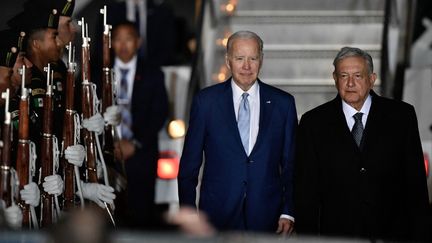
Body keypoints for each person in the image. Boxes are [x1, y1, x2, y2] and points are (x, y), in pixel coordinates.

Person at [294, 46, 431, 241]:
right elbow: (305, 193)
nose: (350, 83)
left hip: (392, 234)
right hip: (336, 237)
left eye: (358, 76)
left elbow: (415, 186)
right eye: (343, 76)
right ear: (335, 79)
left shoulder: (401, 117)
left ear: (372, 79)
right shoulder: (313, 123)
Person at [178, 30, 297, 234]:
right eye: (239, 58)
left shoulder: (283, 104)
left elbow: (291, 165)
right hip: (216, 215)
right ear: (228, 60)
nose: (247, 66)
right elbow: (189, 165)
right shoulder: (206, 102)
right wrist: (189, 214)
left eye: (253, 58)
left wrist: (288, 211)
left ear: (261, 60)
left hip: (267, 216)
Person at [110, 21, 168, 228]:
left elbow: (159, 113)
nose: (123, 45)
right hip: (107, 154)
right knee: (109, 215)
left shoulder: (153, 73)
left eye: (128, 39)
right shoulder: (100, 72)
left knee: (141, 215)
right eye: (117, 39)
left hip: (141, 153)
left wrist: (134, 143)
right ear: (111, 42)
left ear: (138, 42)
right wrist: (110, 144)